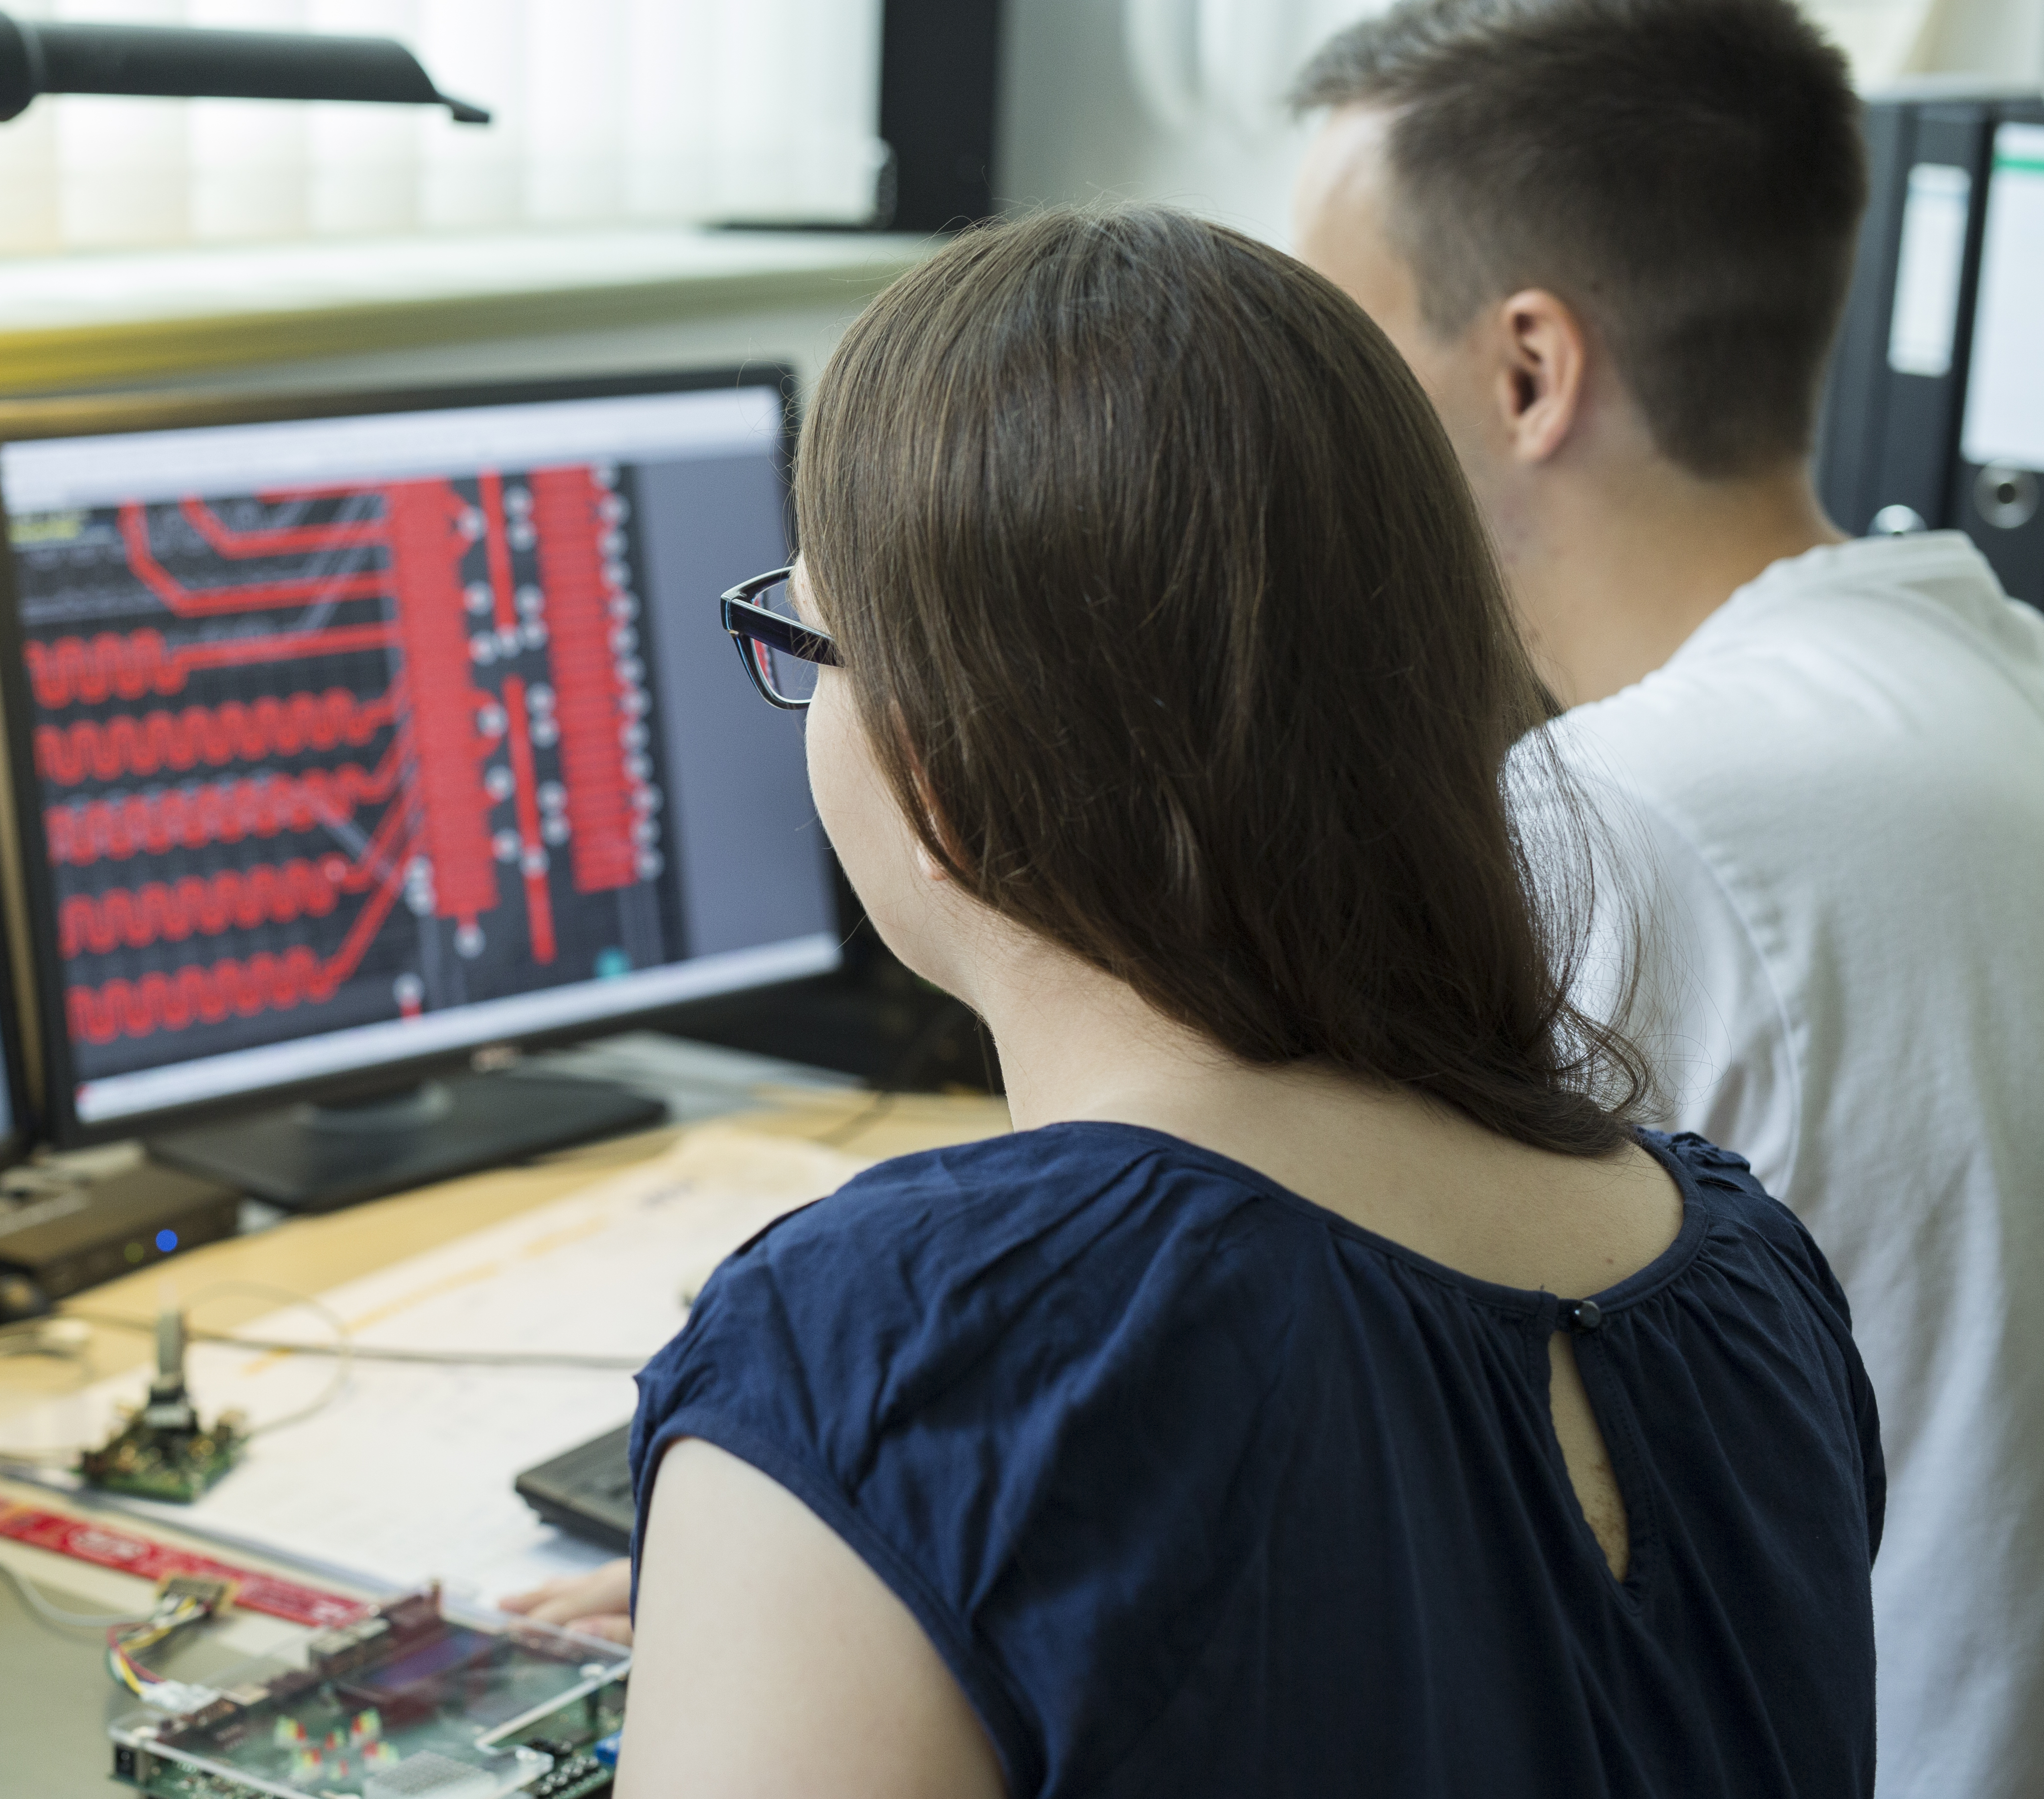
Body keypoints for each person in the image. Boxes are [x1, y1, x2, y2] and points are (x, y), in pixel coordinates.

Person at [516, 205, 1880, 1799]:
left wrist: (800, 1560)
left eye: (807, 640)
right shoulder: (1745, 1277)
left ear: (942, 770)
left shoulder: (894, 1350)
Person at [1289, 6, 2044, 1793]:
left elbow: (1339, 1501)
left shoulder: (1612, 826)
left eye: (1331, 342)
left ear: (1530, 368)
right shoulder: (1994, 667)